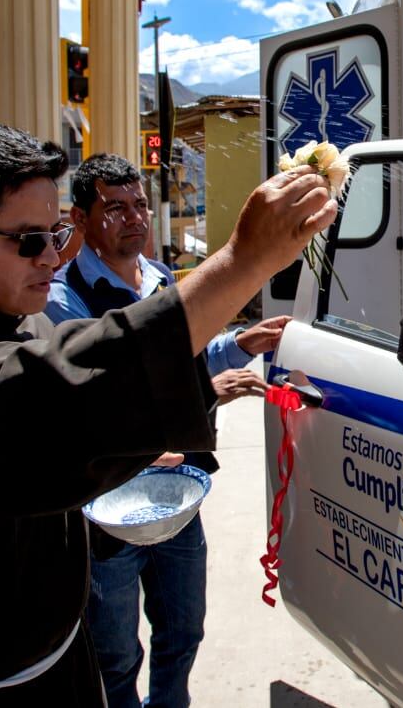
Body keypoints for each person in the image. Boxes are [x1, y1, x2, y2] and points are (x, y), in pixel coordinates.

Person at [0, 121, 334, 706]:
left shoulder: (6, 314)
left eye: (55, 233)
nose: (52, 256)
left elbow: (106, 389)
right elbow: (66, 397)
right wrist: (244, 261)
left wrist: (208, 381)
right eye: (27, 240)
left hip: (54, 668)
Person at [45, 153, 287, 707]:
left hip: (179, 495)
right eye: (114, 208)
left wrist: (237, 345)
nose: (133, 218)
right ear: (80, 221)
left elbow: (186, 356)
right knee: (116, 653)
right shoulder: (65, 301)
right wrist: (206, 391)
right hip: (111, 510)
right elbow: (106, 396)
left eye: (139, 206)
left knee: (183, 632)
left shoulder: (159, 279)